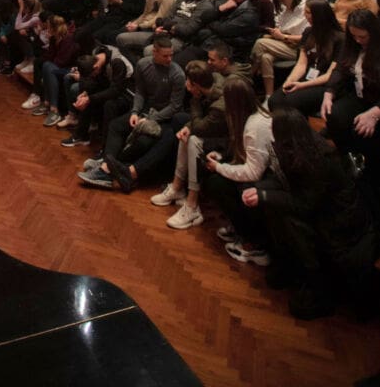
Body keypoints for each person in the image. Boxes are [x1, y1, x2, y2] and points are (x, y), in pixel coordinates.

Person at [244, 108, 379, 320]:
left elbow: (303, 204)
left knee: (287, 218)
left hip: (340, 224)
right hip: (324, 210)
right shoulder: (302, 147)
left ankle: (317, 284)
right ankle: (291, 266)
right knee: (270, 202)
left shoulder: (318, 160)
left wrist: (264, 195)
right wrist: (263, 192)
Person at [78, 35, 185, 193]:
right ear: (154, 52)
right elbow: (140, 92)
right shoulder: (143, 65)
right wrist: (135, 111)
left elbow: (175, 106)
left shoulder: (177, 74)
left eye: (171, 55)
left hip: (163, 117)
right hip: (144, 111)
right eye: (165, 56)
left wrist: (150, 118)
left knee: (144, 141)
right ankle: (106, 165)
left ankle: (105, 169)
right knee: (116, 126)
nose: (169, 59)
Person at [151, 60, 228, 229]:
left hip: (228, 145)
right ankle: (177, 188)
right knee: (186, 134)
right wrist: (188, 126)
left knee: (194, 140)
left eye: (188, 81)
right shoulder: (213, 80)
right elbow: (200, 124)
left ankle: (192, 205)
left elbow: (201, 126)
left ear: (196, 86)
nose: (186, 84)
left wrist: (194, 100)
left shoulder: (219, 106)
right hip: (214, 132)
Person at [204, 79, 273, 265]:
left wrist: (219, 167)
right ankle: (241, 230)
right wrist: (220, 157)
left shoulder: (255, 126)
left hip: (267, 181)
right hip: (260, 174)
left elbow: (254, 172)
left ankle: (254, 244)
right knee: (216, 180)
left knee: (217, 183)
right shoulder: (249, 117)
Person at [322, 9, 380, 194]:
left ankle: (369, 168)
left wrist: (375, 113)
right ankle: (349, 155)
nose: (358, 41)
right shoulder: (352, 45)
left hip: (377, 102)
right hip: (360, 96)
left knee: (363, 132)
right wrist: (329, 92)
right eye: (354, 36)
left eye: (362, 37)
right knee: (333, 115)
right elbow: (340, 69)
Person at [268, 0, 343, 115]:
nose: (305, 15)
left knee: (290, 102)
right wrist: (290, 80)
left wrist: (302, 85)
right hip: (307, 77)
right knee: (274, 101)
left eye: (308, 12)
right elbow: (301, 64)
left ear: (319, 15)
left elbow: (331, 74)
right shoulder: (308, 32)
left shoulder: (340, 38)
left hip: (324, 83)